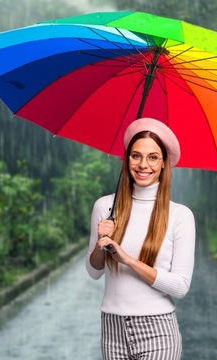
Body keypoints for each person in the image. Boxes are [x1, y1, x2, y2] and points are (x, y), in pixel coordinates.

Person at [86, 117, 196, 359]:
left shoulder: (180, 215)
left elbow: (180, 287)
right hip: (112, 328)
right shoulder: (105, 207)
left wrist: (128, 260)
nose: (143, 164)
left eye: (153, 157)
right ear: (126, 160)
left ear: (165, 163)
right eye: (136, 156)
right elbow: (94, 272)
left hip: (158, 330)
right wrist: (100, 244)